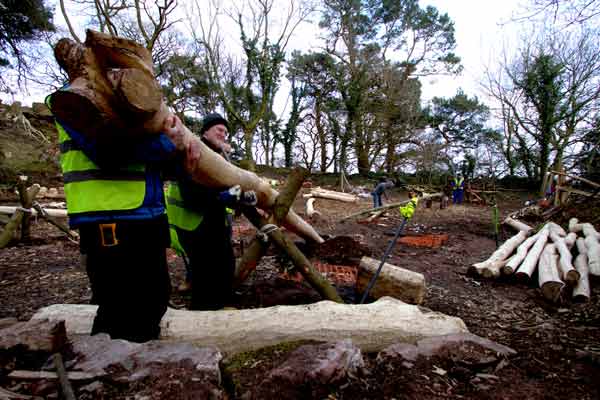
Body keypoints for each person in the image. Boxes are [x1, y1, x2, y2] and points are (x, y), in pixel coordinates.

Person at [45, 91, 194, 343]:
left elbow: (152, 162)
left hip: (148, 215)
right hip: (110, 218)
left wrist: (178, 154)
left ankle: (139, 366)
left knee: (154, 299)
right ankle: (107, 368)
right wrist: (167, 143)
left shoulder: (130, 105)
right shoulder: (71, 99)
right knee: (120, 304)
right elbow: (106, 152)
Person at [166, 113, 256, 310]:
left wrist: (239, 198)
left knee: (224, 265)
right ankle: (203, 313)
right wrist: (221, 197)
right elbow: (192, 194)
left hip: (214, 221)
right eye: (219, 130)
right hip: (194, 222)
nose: (224, 134)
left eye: (226, 131)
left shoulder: (220, 157)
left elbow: (226, 187)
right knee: (206, 271)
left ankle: (220, 307)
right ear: (206, 130)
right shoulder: (193, 150)